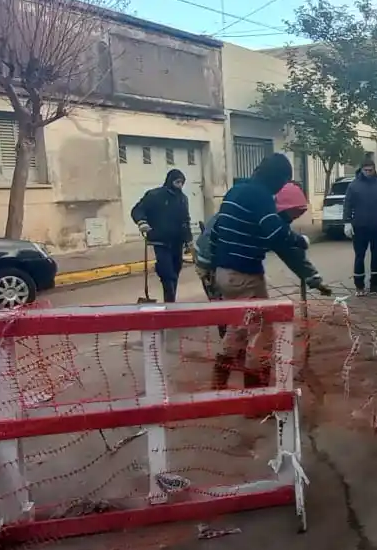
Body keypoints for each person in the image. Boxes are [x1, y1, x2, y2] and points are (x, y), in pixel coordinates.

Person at [206, 153, 322, 390]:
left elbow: (216, 232)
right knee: (261, 334)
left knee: (237, 328)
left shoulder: (236, 191)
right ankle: (256, 397)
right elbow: (275, 235)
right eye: (283, 181)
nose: (281, 187)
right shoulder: (261, 197)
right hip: (245, 275)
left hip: (223, 272)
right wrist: (300, 240)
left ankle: (218, 385)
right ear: (276, 177)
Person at [195, 180, 331, 306]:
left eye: (296, 216)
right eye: (291, 214)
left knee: (239, 317)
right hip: (210, 263)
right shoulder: (252, 216)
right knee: (230, 313)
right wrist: (212, 271)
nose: (291, 220)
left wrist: (313, 278)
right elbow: (211, 239)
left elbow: (289, 250)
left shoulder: (271, 221)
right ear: (280, 208)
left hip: (228, 269)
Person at [131, 169, 193, 303]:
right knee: (167, 274)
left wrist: (189, 241)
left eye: (182, 182)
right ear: (170, 181)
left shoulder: (183, 199)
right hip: (160, 242)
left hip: (177, 243)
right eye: (177, 182)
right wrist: (142, 223)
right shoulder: (155, 195)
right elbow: (137, 210)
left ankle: (171, 303)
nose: (180, 185)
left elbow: (185, 221)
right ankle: (170, 303)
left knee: (175, 273)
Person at [343, 156, 377, 293]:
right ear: (361, 170)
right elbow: (347, 205)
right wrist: (347, 222)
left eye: (370, 170)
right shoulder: (354, 186)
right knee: (360, 256)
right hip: (360, 227)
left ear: (374, 170)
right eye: (365, 170)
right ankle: (359, 286)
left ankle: (375, 284)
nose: (368, 172)